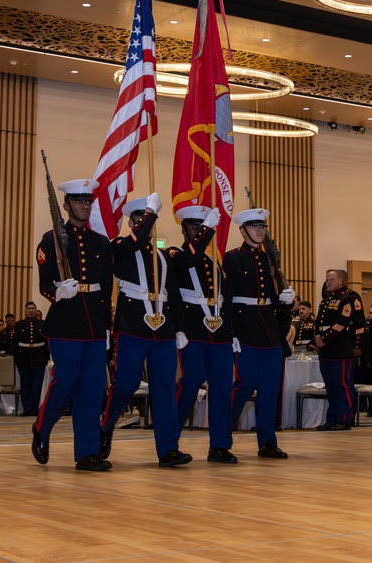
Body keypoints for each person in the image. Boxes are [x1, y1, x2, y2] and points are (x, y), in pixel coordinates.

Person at [98, 194, 192, 468]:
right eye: (139, 217)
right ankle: (105, 428)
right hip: (132, 325)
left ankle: (168, 448)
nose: (144, 223)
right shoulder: (119, 246)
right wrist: (151, 211)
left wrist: (180, 328)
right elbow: (132, 244)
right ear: (131, 221)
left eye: (148, 218)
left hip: (162, 328)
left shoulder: (162, 256)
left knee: (164, 388)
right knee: (125, 384)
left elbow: (173, 293)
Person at [31, 178, 113, 471]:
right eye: (78, 201)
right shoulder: (50, 239)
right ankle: (42, 427)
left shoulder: (100, 243)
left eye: (88, 201)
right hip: (65, 322)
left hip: (93, 325)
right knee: (64, 382)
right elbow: (44, 284)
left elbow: (105, 289)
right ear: (66, 205)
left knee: (92, 389)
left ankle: (87, 452)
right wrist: (57, 292)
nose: (84, 206)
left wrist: (106, 330)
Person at [225, 207, 296, 459]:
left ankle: (267, 441)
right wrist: (230, 331)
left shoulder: (267, 259)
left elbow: (271, 298)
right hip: (244, 329)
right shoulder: (232, 258)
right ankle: (221, 440)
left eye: (262, 226)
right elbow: (227, 298)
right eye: (255, 226)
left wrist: (286, 300)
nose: (260, 230)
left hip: (268, 331)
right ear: (242, 230)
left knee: (269, 387)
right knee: (244, 384)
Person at [172, 204, 240, 464]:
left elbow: (227, 298)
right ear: (183, 228)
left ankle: (220, 445)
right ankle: (170, 441)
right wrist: (178, 327)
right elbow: (189, 260)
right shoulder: (175, 254)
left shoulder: (215, 263)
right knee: (190, 385)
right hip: (192, 330)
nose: (198, 230)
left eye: (202, 226)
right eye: (193, 225)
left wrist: (231, 329)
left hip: (219, 332)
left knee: (223, 388)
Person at [313, 269, 358, 431]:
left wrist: (323, 338)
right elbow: (317, 322)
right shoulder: (325, 301)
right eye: (327, 279)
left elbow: (342, 323)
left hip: (339, 347)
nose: (328, 282)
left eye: (332, 279)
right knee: (330, 386)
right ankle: (332, 419)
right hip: (325, 350)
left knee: (342, 385)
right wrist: (317, 336)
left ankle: (344, 419)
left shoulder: (346, 299)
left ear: (341, 281)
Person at [14, 301, 48, 417]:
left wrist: (46, 357)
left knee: (36, 386)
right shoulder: (19, 325)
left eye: (33, 308)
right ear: (25, 311)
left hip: (39, 358)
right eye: (28, 308)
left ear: (36, 310)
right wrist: (16, 359)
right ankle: (27, 409)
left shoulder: (43, 324)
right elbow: (15, 343)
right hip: (23, 359)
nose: (31, 310)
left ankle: (35, 408)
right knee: (25, 385)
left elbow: (47, 342)